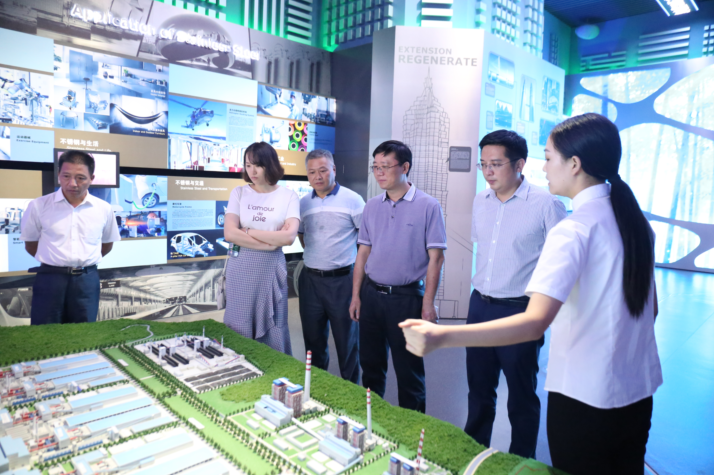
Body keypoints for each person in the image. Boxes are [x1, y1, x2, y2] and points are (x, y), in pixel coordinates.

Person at [400, 113, 662, 475]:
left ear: (574, 164)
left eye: (549, 157)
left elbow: (534, 322)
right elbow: (651, 309)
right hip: (636, 391)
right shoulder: (635, 223)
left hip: (584, 393)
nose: (545, 167)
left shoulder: (572, 229)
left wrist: (442, 335)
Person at [466, 130, 567, 457]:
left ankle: (522, 460)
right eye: (483, 164)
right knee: (479, 390)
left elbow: (561, 263)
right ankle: (472, 453)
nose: (488, 172)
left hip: (520, 310)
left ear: (520, 164)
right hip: (479, 306)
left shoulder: (546, 204)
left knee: (521, 395)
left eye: (496, 164)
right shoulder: (480, 201)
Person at [349, 140, 447, 413]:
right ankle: (372, 422)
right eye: (375, 167)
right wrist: (356, 296)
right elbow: (362, 254)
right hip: (371, 296)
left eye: (385, 166)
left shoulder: (428, 205)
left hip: (406, 299)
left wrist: (428, 304)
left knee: (409, 371)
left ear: (405, 167)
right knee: (371, 367)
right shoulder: (371, 206)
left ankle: (413, 429)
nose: (379, 172)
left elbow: (436, 258)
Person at [20, 150, 121, 325]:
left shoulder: (104, 209)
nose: (72, 183)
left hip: (86, 280)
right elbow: (30, 244)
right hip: (50, 279)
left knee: (84, 332)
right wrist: (55, 262)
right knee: (45, 331)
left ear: (92, 178)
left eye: (80, 178)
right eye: (66, 176)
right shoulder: (38, 206)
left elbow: (106, 245)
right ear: (59, 174)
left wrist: (83, 263)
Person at [223, 142, 300, 354]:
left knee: (274, 323)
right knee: (239, 321)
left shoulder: (288, 196)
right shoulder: (239, 193)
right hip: (241, 267)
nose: (252, 171)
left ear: (270, 165)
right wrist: (269, 244)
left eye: (258, 165)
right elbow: (230, 234)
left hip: (270, 269)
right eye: (248, 165)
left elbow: (288, 237)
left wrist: (247, 231)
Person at [298, 149, 365, 383]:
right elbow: (303, 236)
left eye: (323, 170)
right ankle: (317, 391)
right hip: (310, 282)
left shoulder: (354, 200)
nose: (317, 176)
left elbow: (366, 242)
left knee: (347, 344)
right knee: (313, 344)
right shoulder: (303, 203)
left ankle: (352, 394)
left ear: (334, 169)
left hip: (342, 282)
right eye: (312, 172)